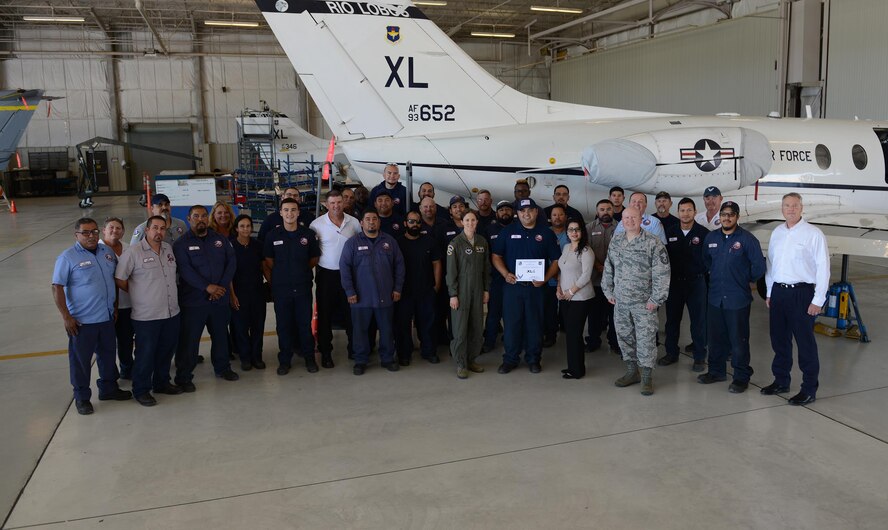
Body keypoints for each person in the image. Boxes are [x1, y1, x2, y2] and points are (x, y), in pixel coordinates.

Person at [52, 218, 131, 415]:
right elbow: (57, 287)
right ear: (76, 235)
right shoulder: (67, 257)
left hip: (106, 318)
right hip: (82, 322)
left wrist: (113, 306)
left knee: (107, 356)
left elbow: (112, 281)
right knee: (81, 361)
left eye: (94, 232)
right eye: (86, 232)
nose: (91, 236)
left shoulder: (107, 253)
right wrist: (66, 317)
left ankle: (108, 389)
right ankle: (82, 397)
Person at [763, 193, 830, 405]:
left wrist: (818, 300)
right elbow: (771, 264)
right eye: (786, 206)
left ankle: (809, 388)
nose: (790, 209)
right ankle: (781, 380)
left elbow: (823, 269)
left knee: (805, 343)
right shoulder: (777, 232)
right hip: (779, 293)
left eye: (794, 205)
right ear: (781, 209)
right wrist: (770, 292)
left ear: (802, 208)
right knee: (779, 340)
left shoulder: (813, 234)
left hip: (802, 294)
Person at [698, 201, 766, 393]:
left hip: (737, 299)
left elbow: (759, 268)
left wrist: (743, 280)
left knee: (738, 340)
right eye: (724, 214)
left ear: (737, 217)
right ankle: (716, 371)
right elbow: (706, 261)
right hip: (715, 298)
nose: (726, 218)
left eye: (731, 214)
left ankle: (741, 376)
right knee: (716, 338)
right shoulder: (711, 237)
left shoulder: (747, 240)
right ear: (719, 216)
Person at [115, 215, 183, 407]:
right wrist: (138, 292)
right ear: (147, 230)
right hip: (147, 316)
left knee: (165, 352)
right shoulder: (133, 252)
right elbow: (120, 279)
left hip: (171, 313)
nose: (159, 232)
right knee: (145, 355)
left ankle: (161, 383)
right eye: (155, 228)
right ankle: (141, 389)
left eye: (162, 229)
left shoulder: (168, 249)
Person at [602, 207, 670, 396]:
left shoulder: (652, 242)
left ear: (641, 219)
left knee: (646, 339)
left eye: (633, 217)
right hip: (621, 302)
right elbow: (609, 267)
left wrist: (656, 299)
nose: (629, 220)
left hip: (644, 303)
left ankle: (647, 377)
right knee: (624, 338)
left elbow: (662, 272)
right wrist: (608, 291)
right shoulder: (616, 241)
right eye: (625, 217)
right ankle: (632, 372)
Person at [173, 205, 239, 391]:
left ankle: (223, 368)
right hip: (194, 301)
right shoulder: (181, 244)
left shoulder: (220, 240)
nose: (200, 219)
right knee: (190, 340)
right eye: (196, 216)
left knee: (220, 336)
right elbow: (185, 270)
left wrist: (221, 287)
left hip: (219, 299)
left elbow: (231, 262)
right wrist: (207, 287)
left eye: (203, 216)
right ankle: (184, 376)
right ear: (189, 218)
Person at [491, 198, 560, 374]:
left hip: (536, 288)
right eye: (522, 211)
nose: (526, 214)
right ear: (518, 213)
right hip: (513, 287)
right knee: (512, 323)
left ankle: (533, 359)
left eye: (530, 210)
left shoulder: (546, 233)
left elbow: (556, 260)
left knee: (534, 324)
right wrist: (505, 274)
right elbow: (496, 255)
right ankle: (510, 359)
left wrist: (545, 278)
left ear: (536, 212)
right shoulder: (507, 232)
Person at [340, 208, 406, 375]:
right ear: (361, 223)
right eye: (367, 219)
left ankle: (387, 358)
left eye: (374, 219)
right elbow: (345, 268)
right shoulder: (352, 243)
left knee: (387, 330)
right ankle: (360, 360)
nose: (371, 222)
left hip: (385, 296)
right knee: (360, 331)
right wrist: (350, 292)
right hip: (360, 298)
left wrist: (398, 288)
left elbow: (399, 265)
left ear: (379, 222)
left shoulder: (389, 242)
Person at [263, 198, 321, 375]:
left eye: (293, 210)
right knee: (284, 325)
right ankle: (285, 359)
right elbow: (269, 261)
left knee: (304, 324)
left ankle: (309, 357)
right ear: (280, 212)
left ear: (298, 213)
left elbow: (313, 259)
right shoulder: (273, 235)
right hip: (281, 288)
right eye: (286, 210)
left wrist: (299, 271)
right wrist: (283, 274)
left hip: (302, 287)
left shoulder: (308, 235)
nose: (289, 213)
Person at [310, 190, 362, 367]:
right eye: (332, 203)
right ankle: (326, 353)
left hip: (349, 275)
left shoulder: (354, 222)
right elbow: (312, 251)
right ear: (326, 204)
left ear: (344, 203)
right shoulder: (317, 225)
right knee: (325, 315)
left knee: (351, 314)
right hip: (326, 275)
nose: (336, 206)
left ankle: (354, 349)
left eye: (339, 202)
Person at [660, 198, 710, 371]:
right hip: (674, 283)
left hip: (696, 283)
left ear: (695, 212)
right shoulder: (670, 232)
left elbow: (709, 259)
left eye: (689, 210)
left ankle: (699, 357)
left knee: (698, 322)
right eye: (682, 210)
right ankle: (671, 353)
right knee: (672, 320)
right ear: (678, 212)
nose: (686, 213)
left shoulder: (703, 233)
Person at [446, 211, 490, 379]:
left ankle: (471, 360)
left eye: (473, 220)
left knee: (477, 328)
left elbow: (486, 269)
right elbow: (451, 272)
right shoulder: (455, 243)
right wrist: (453, 294)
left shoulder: (482, 242)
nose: (470, 223)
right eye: (467, 220)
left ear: (477, 222)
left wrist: (486, 290)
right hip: (461, 292)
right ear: (462, 222)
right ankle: (461, 363)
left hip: (478, 291)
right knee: (460, 329)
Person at [395, 210, 443, 365]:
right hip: (404, 291)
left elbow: (437, 264)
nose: (414, 224)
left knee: (427, 323)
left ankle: (429, 351)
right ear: (405, 224)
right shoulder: (398, 243)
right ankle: (404, 353)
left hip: (426, 290)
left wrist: (436, 285)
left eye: (417, 222)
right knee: (403, 324)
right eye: (411, 221)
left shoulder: (429, 241)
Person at [557, 220, 595, 379]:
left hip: (580, 298)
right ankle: (573, 366)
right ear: (567, 232)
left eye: (577, 230)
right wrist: (558, 288)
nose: (574, 233)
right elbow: (561, 270)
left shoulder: (586, 251)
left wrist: (571, 291)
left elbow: (586, 276)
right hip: (565, 297)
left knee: (574, 334)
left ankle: (577, 370)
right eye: (571, 230)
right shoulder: (566, 247)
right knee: (570, 334)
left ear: (582, 232)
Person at [230, 214, 268, 371]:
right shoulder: (230, 247)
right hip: (239, 293)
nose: (246, 229)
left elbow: (265, 267)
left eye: (248, 226)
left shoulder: (258, 246)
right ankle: (245, 358)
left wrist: (273, 284)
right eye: (242, 226)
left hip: (257, 292)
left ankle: (257, 357)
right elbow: (228, 274)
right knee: (241, 327)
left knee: (258, 327)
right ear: (236, 229)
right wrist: (232, 296)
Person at [100, 217, 133, 380]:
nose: (115, 230)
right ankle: (110, 378)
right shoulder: (96, 249)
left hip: (127, 304)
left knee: (126, 341)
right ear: (104, 230)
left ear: (123, 231)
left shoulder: (129, 249)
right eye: (111, 227)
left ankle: (127, 370)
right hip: (106, 307)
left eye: (119, 228)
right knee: (106, 345)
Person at [585, 199, 619, 354]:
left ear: (614, 210)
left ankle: (614, 342)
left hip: (615, 281)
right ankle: (593, 340)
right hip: (595, 279)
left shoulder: (621, 228)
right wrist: (597, 265)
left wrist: (610, 269)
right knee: (594, 314)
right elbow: (586, 250)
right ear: (597, 211)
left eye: (609, 209)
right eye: (602, 209)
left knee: (615, 315)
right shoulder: (589, 228)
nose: (606, 212)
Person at [482, 200, 514, 352]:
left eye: (508, 209)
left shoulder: (518, 228)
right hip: (495, 278)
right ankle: (489, 341)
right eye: (502, 210)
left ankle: (512, 340)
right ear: (497, 213)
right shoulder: (489, 229)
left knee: (512, 313)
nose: (505, 212)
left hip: (515, 278)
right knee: (493, 312)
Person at [543, 204, 570, 347]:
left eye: (560, 215)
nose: (557, 217)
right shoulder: (544, 233)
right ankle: (550, 335)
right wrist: (551, 274)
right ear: (550, 217)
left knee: (566, 310)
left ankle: (568, 333)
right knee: (549, 310)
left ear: (565, 217)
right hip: (548, 279)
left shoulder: (570, 234)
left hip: (567, 279)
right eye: (554, 215)